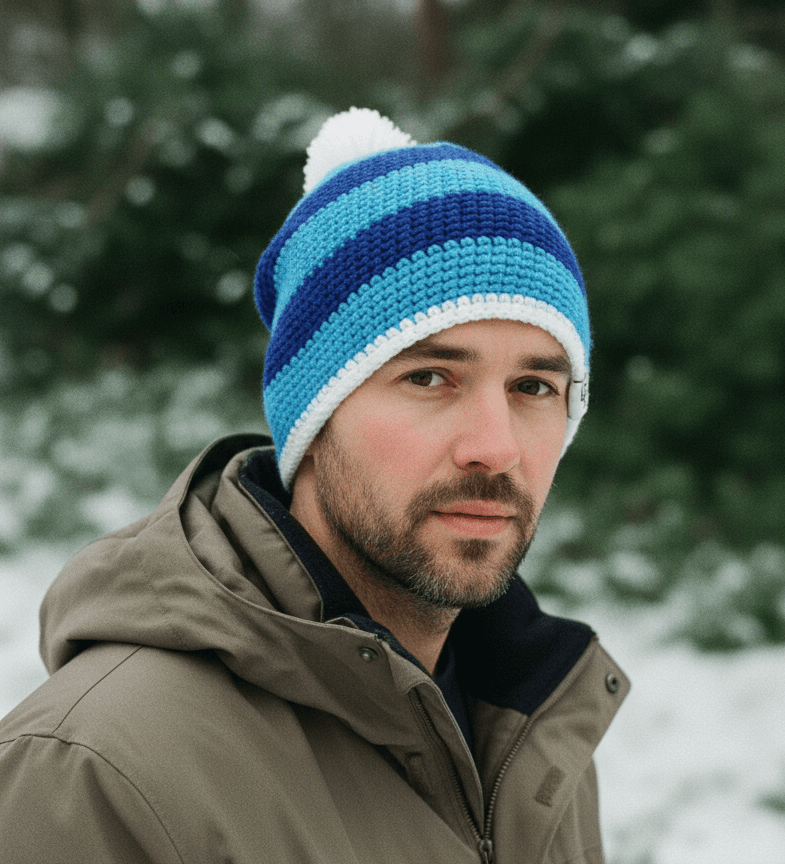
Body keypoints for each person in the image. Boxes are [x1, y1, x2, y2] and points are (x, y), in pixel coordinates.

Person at [0, 108, 628, 864]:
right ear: (313, 416)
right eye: (429, 377)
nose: (494, 448)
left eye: (534, 386)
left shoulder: (537, 732)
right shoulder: (100, 772)